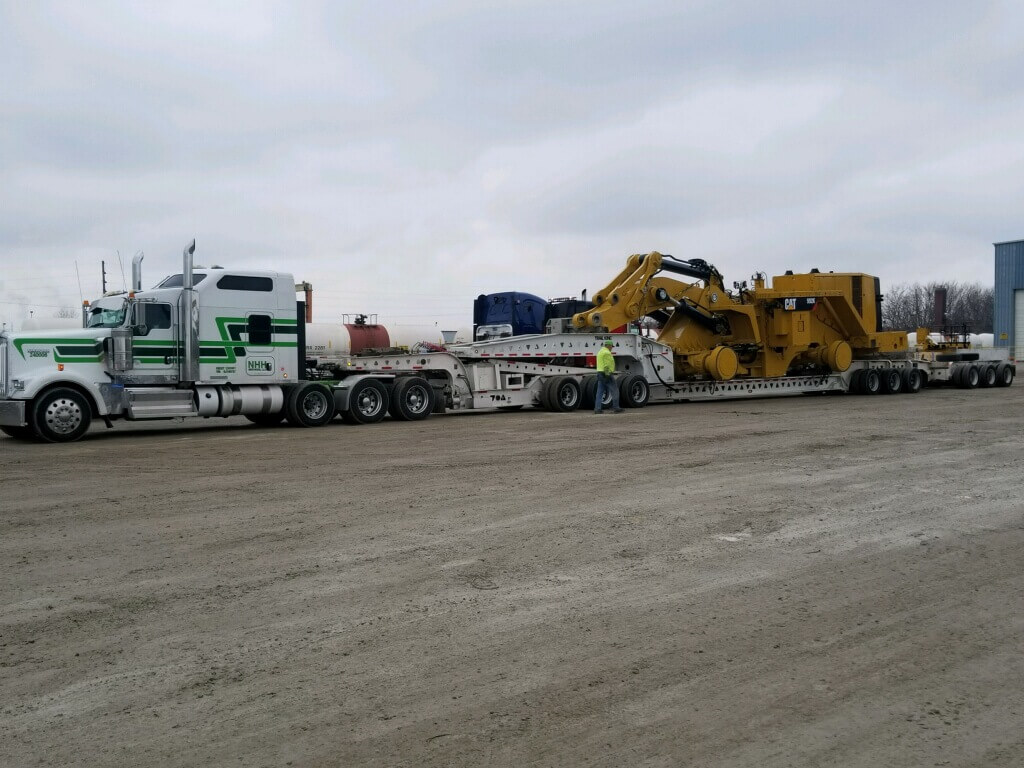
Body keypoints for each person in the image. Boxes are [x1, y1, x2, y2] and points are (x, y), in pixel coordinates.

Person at [594, 339, 624, 414]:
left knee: (600, 392)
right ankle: (616, 407)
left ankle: (597, 409)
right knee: (614, 390)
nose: (612, 348)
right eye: (611, 346)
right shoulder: (607, 353)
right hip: (606, 373)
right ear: (609, 346)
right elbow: (607, 365)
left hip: (600, 373)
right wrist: (607, 375)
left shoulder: (600, 352)